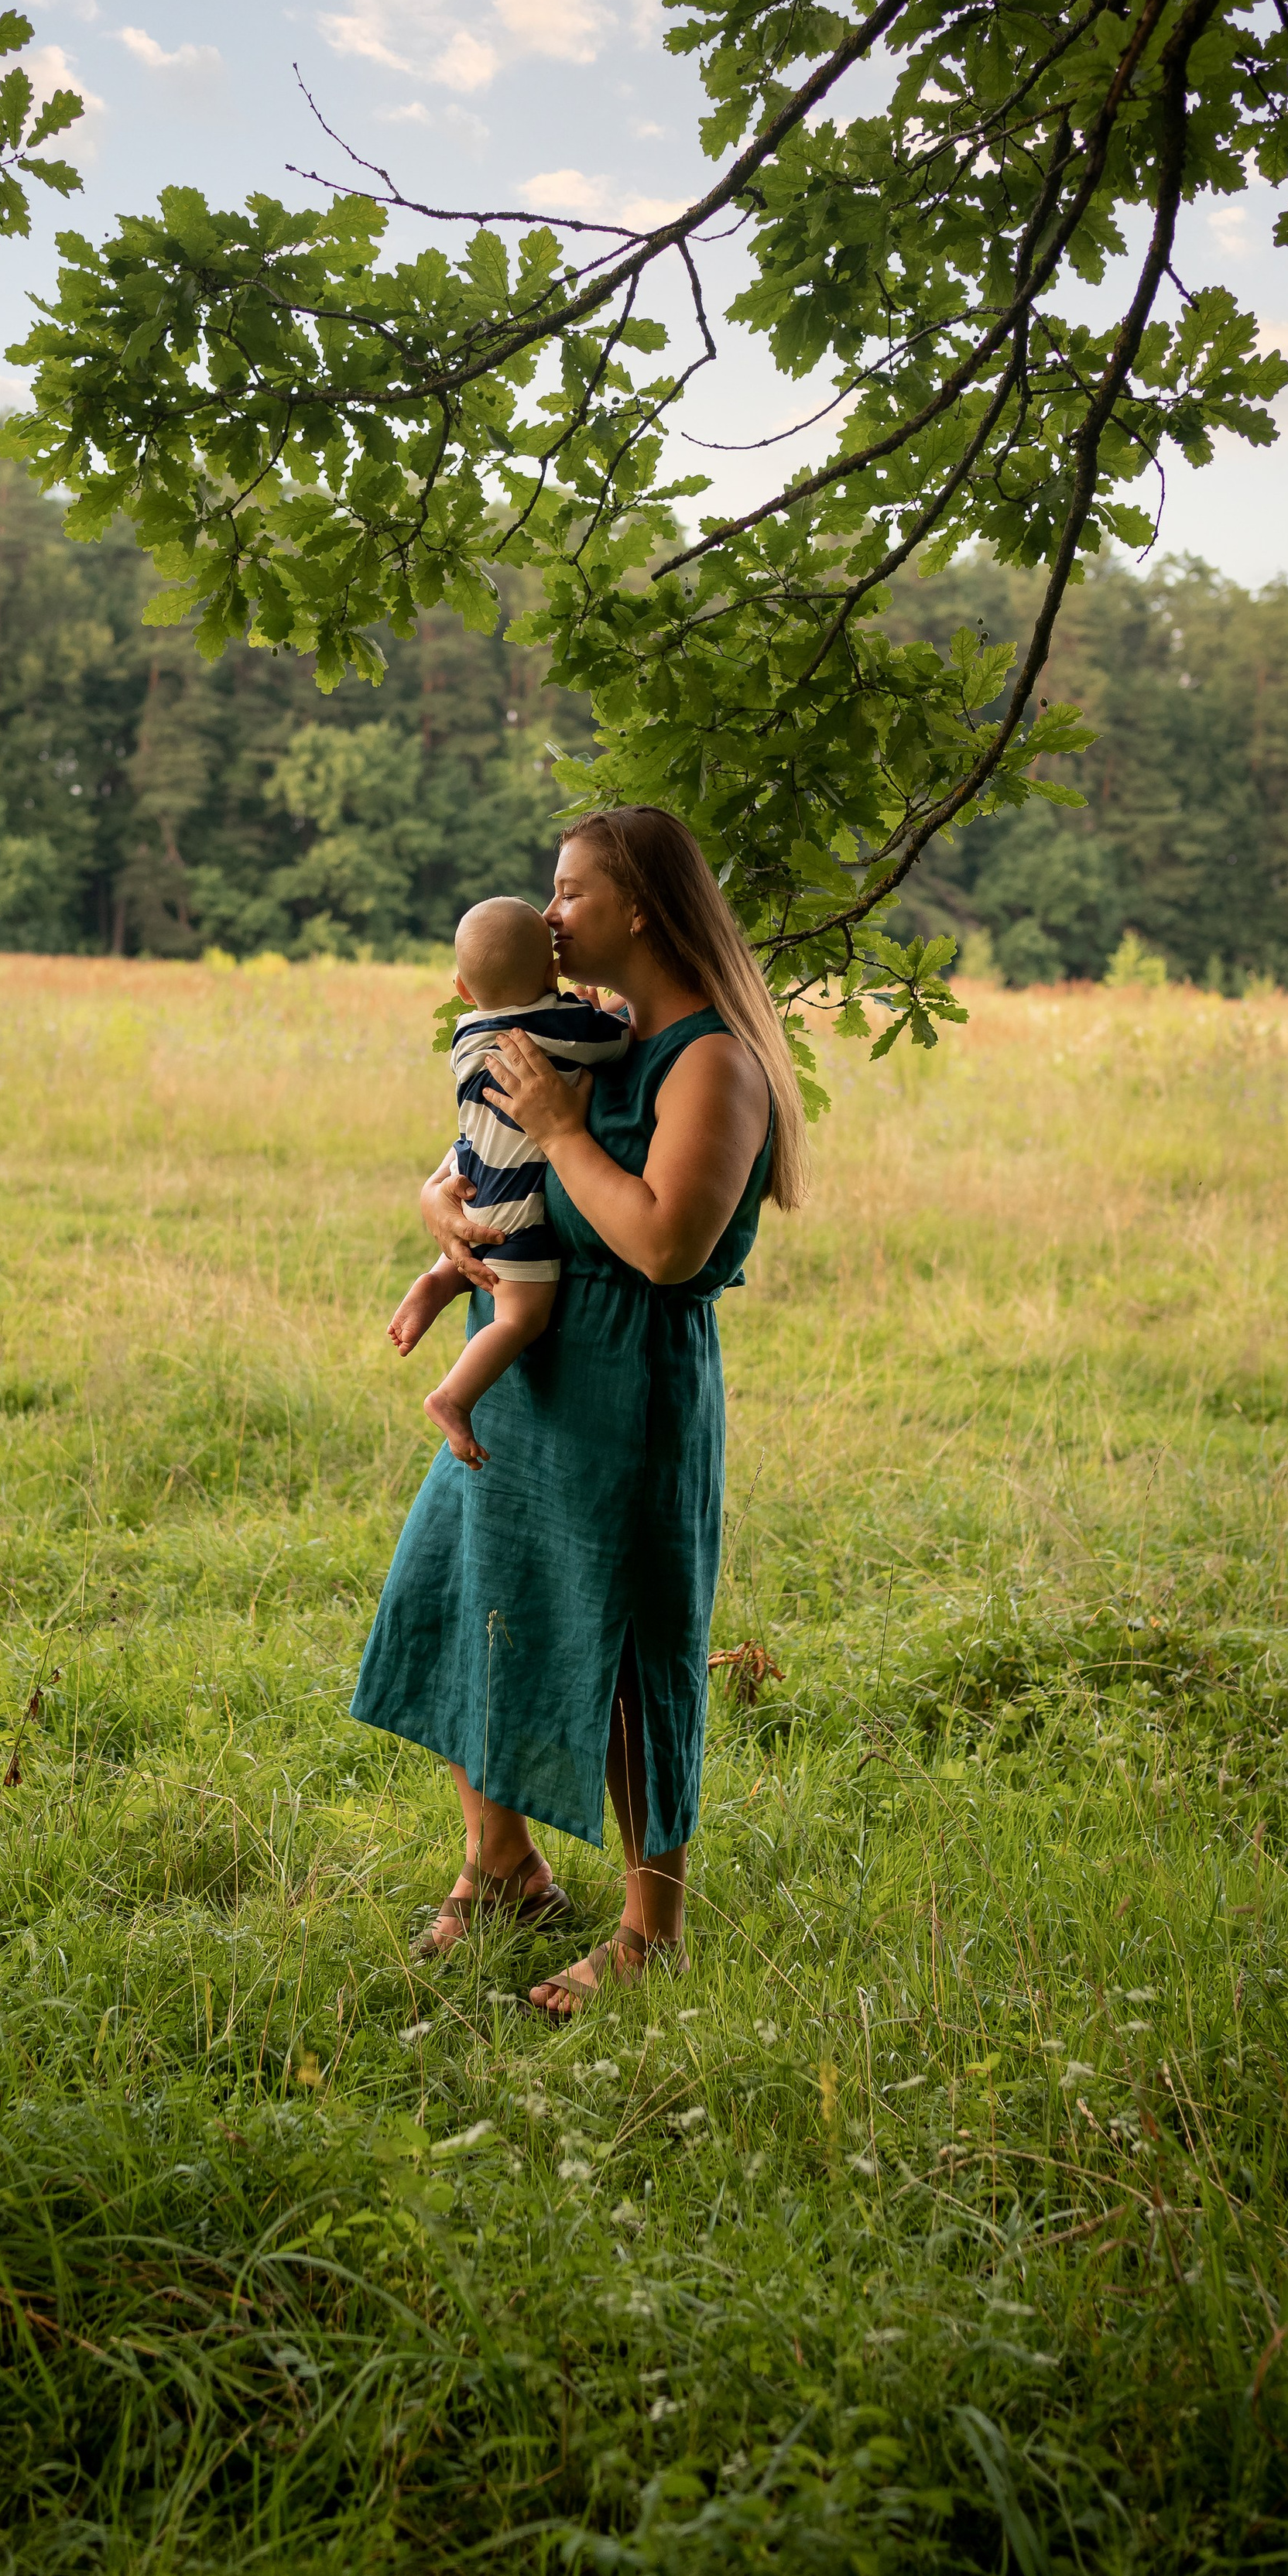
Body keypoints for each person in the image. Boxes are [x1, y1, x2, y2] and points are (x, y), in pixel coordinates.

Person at [351, 806, 810, 2018]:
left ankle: (650, 1930)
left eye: (568, 893)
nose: (547, 917)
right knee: (462, 1596)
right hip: (528, 1359)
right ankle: (500, 1865)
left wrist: (557, 1128)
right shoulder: (595, 1032)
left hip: (628, 1378)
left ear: (641, 907)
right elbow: (491, 1157)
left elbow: (664, 1244)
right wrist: (441, 1203)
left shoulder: (712, 1059)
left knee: (630, 1656)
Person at [386, 895, 629, 1468]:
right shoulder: (552, 1025)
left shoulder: (467, 1032)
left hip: (470, 1170)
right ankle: (453, 1395)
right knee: (521, 1315)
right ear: (551, 972)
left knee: (474, 1249)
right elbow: (616, 1043)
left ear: (463, 989)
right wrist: (593, 1011)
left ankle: (439, 1281)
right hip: (516, 1190)